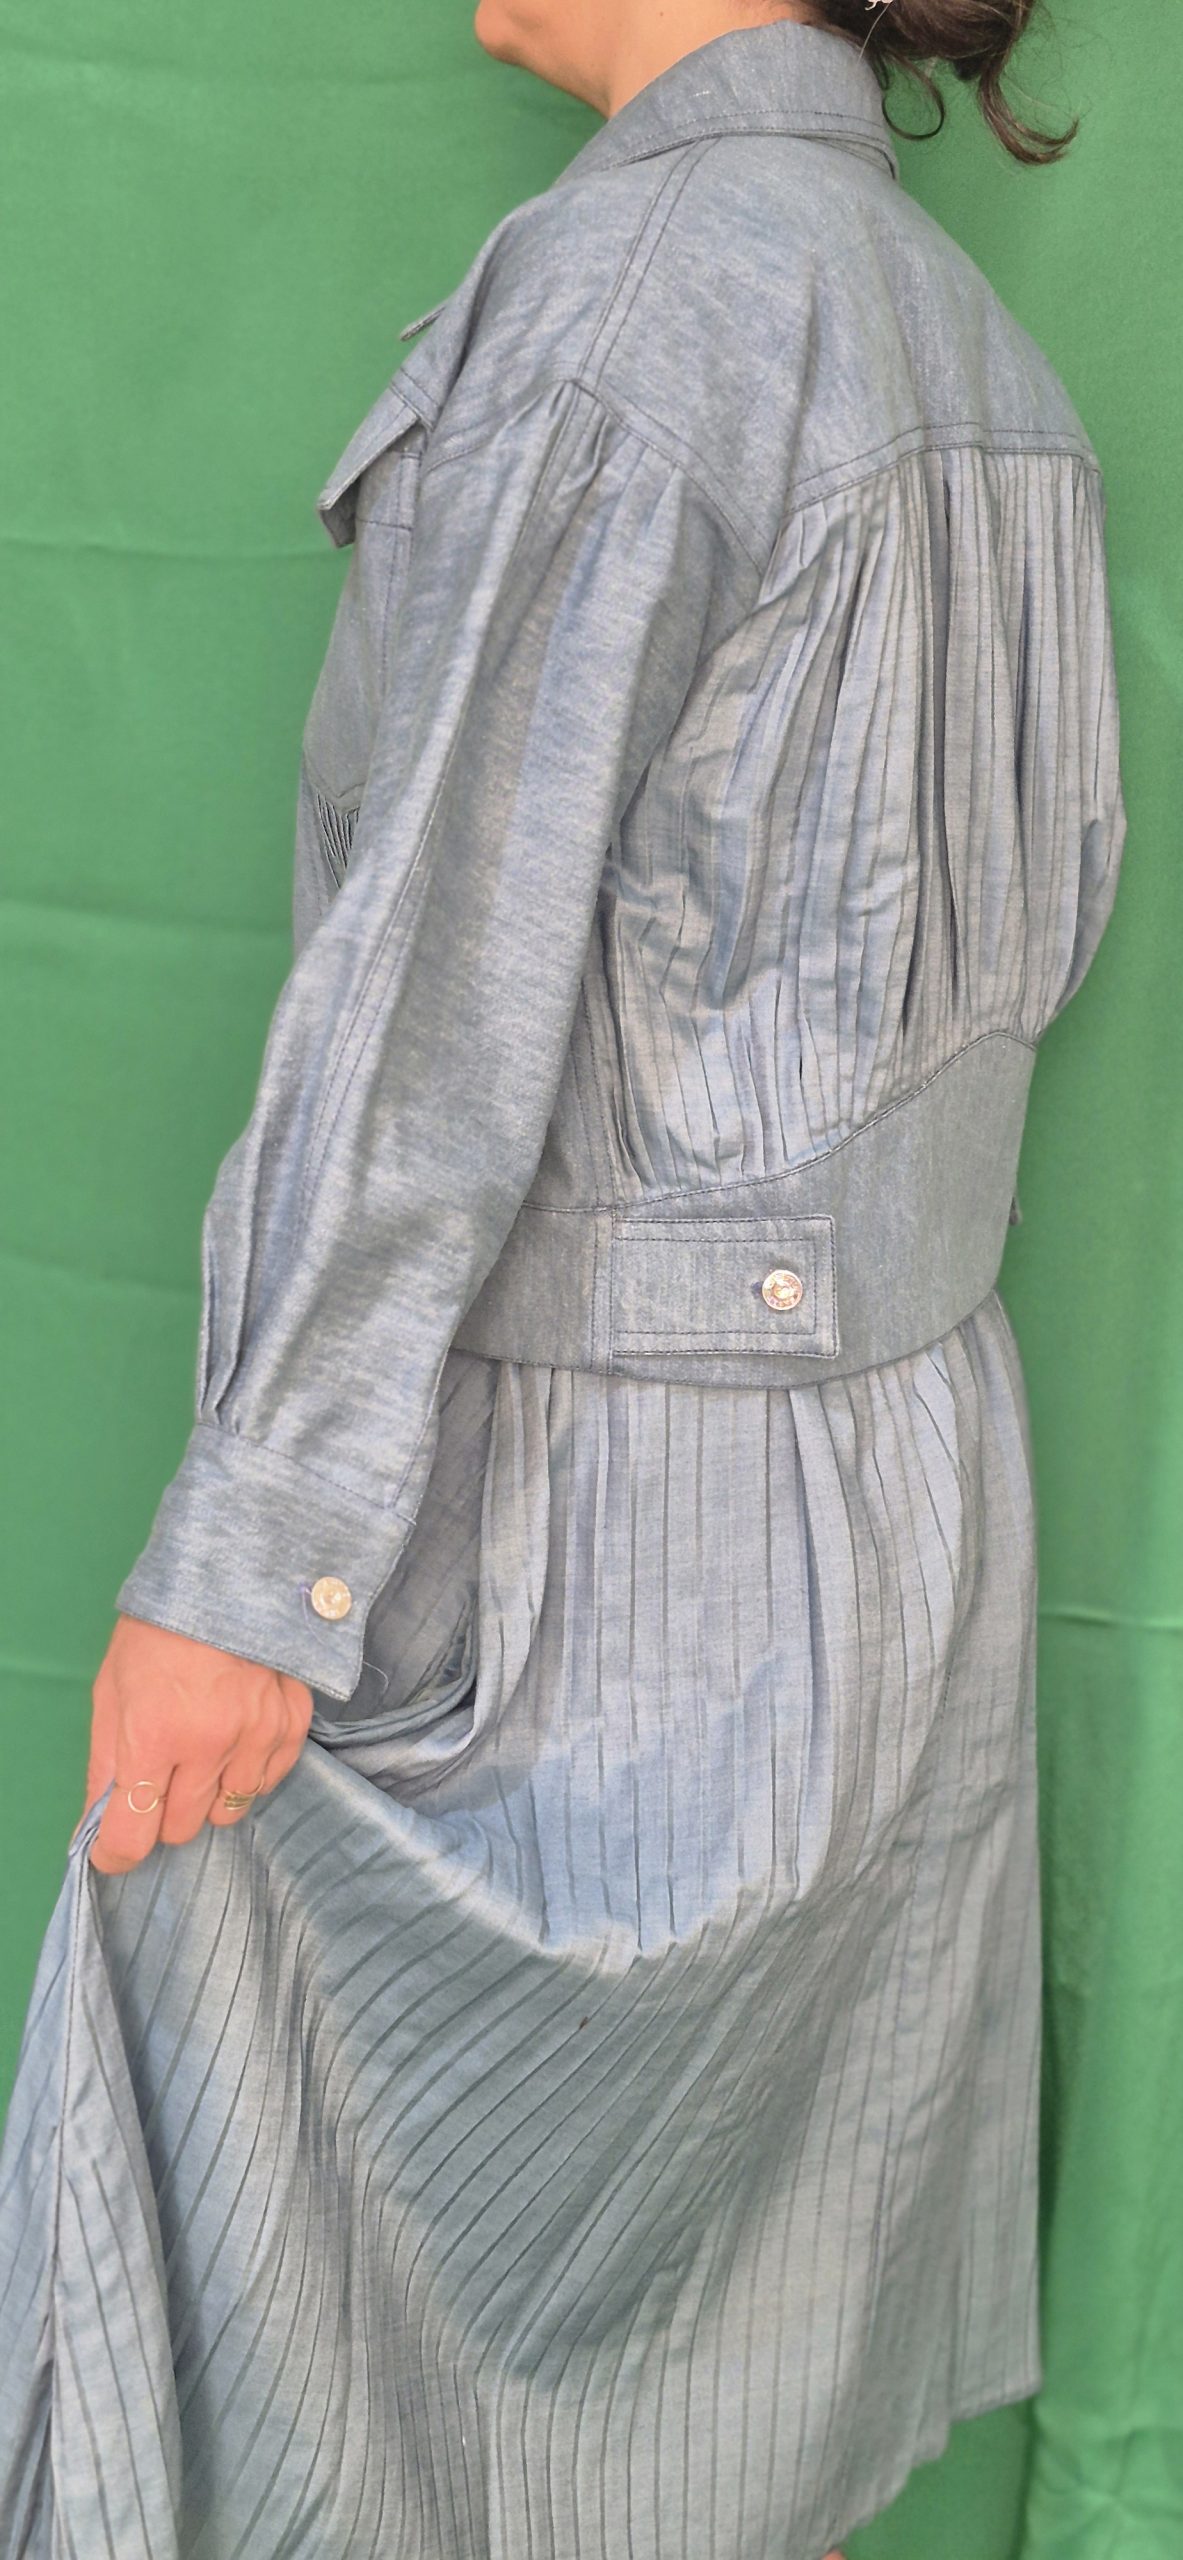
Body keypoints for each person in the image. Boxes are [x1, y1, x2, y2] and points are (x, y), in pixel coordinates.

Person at [0, 3, 1126, 2555]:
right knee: (728, 2413)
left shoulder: (636, 304)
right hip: (903, 1519)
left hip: (615, 1538)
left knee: (302, 2304)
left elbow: (436, 1002)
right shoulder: (982, 355)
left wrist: (253, 1557)